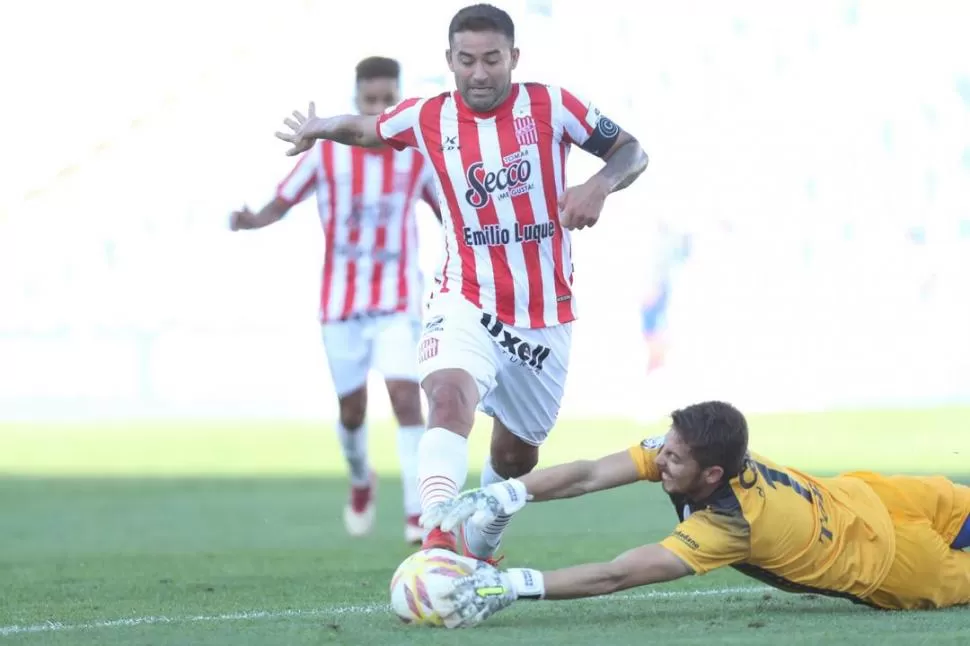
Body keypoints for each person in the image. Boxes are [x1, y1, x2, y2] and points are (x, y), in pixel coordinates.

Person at [274, 3, 649, 559]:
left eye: (492, 59)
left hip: (543, 313)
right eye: (466, 60)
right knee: (447, 399)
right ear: (449, 60)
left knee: (518, 457)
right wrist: (319, 128)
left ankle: (479, 543)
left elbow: (632, 151)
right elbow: (369, 129)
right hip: (465, 296)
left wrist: (599, 185)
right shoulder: (430, 116)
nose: (479, 72)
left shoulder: (553, 104)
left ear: (513, 58)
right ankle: (438, 536)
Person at [420, 400, 970, 628]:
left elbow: (617, 573)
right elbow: (590, 473)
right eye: (666, 446)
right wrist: (504, 494)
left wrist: (511, 585)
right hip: (874, 499)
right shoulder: (694, 450)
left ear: (712, 474)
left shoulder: (731, 524)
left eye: (675, 457)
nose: (661, 458)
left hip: (897, 563)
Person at [231, 56, 441, 544]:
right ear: (356, 100)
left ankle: (417, 512)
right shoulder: (327, 154)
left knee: (408, 397)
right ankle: (361, 478)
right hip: (341, 306)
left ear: (399, 96)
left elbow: (448, 211)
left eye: (388, 99)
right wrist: (251, 220)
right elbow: (281, 202)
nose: (379, 107)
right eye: (371, 100)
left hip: (397, 299)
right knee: (352, 411)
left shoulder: (417, 154)